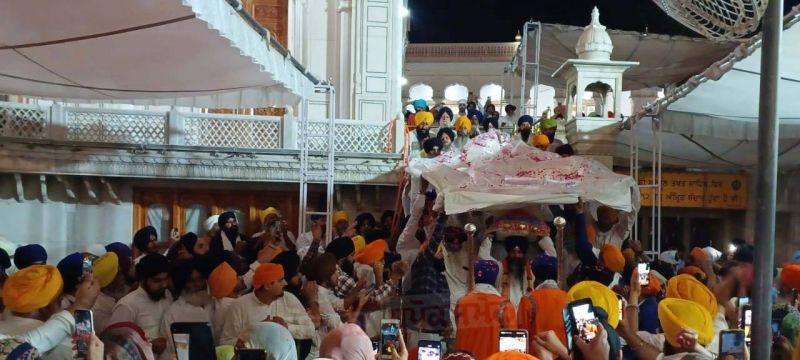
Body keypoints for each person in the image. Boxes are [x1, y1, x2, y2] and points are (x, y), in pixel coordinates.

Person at [0, 265, 100, 358]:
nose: (63, 307)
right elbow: (18, 349)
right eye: (60, 300)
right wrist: (81, 307)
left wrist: (79, 306)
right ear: (46, 307)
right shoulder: (66, 347)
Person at [219, 263, 315, 346]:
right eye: (280, 280)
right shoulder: (239, 306)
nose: (285, 283)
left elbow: (310, 330)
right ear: (268, 285)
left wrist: (286, 327)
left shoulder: (288, 299)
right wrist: (256, 331)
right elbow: (225, 343)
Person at [108, 253, 173, 356]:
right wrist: (148, 346)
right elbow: (113, 345)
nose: (164, 285)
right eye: (157, 280)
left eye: (166, 279)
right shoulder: (127, 305)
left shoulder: (167, 295)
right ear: (143, 279)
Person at [454, 259, 517, 360]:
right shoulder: (505, 306)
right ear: (496, 279)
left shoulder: (461, 302)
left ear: (475, 277)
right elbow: (512, 343)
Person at [160, 258, 216, 360]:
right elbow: (172, 350)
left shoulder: (215, 303)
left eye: (200, 279)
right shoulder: (173, 313)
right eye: (192, 281)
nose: (198, 284)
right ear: (183, 283)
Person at [500, 236, 534, 310]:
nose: (516, 255)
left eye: (519, 252)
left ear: (523, 254)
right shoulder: (501, 267)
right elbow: (483, 255)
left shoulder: (531, 269)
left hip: (525, 310)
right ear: (508, 253)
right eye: (513, 252)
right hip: (506, 311)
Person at [90, 251, 121, 333]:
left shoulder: (110, 295)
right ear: (112, 280)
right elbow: (114, 333)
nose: (122, 276)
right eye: (118, 272)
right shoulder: (98, 308)